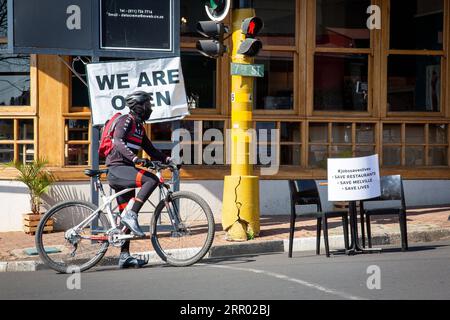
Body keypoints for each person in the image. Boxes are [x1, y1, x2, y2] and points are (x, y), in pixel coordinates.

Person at [106, 91, 172, 268]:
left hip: (127, 171)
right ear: (139, 106)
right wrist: (136, 159)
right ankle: (132, 214)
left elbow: (151, 150)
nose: (150, 108)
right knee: (150, 180)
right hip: (117, 169)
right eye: (148, 105)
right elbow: (117, 142)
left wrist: (169, 161)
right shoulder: (126, 120)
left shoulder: (139, 128)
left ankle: (124, 256)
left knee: (125, 216)